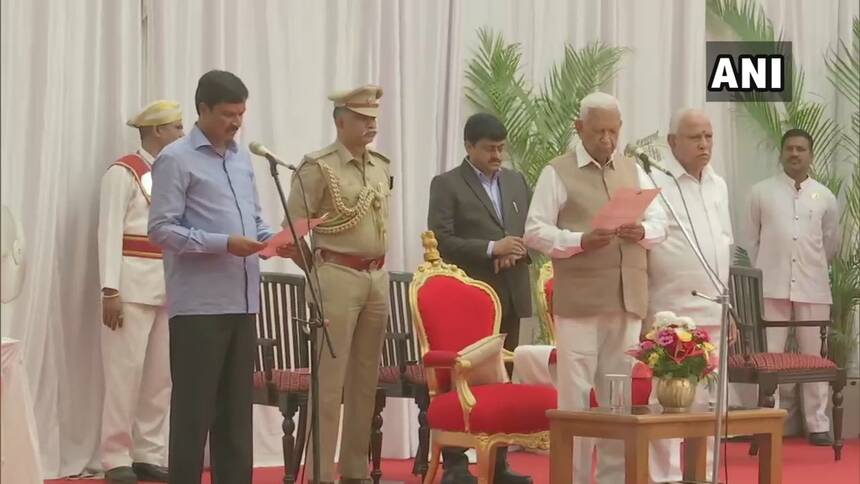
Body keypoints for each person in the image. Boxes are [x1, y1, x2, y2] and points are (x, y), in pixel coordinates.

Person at [524, 92, 667, 484]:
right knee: (575, 399)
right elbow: (534, 231)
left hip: (627, 298)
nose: (607, 139)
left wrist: (643, 231)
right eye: (598, 131)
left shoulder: (634, 170)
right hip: (581, 302)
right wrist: (579, 240)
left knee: (617, 402)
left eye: (613, 131)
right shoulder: (557, 171)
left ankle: (612, 479)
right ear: (579, 128)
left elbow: (661, 224)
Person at [148, 70, 275, 484]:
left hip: (243, 301)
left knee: (236, 417)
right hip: (199, 308)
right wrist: (224, 243)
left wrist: (276, 241)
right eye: (227, 114)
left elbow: (254, 220)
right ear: (202, 109)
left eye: (241, 114)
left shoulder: (241, 159)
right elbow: (161, 230)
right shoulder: (175, 159)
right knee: (193, 414)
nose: (236, 122)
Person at [280, 85, 391, 483]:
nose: (371, 125)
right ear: (340, 121)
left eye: (373, 118)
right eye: (362, 118)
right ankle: (322, 474)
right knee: (329, 382)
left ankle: (356, 470)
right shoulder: (317, 167)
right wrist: (318, 271)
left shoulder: (380, 165)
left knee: (365, 380)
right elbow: (291, 232)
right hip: (337, 274)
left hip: (376, 276)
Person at [427, 112, 533, 484]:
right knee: (461, 377)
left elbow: (533, 232)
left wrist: (514, 250)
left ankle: (498, 464)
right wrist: (491, 248)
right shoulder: (447, 184)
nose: (497, 156)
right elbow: (441, 239)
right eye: (490, 149)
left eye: (502, 148)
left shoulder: (517, 182)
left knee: (503, 378)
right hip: (468, 300)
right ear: (469, 146)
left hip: (511, 294)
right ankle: (456, 465)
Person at [644, 108, 736, 482]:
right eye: (695, 137)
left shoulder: (719, 184)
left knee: (709, 403)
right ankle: (662, 478)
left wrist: (730, 306)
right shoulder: (655, 181)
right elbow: (648, 239)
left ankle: (704, 476)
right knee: (668, 399)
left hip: (715, 308)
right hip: (671, 311)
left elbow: (725, 245)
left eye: (708, 136)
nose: (704, 144)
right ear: (672, 142)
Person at [98, 100, 184, 484]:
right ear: (157, 131)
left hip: (168, 286)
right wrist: (109, 289)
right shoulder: (124, 172)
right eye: (176, 127)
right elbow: (108, 232)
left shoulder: (175, 172)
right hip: (130, 288)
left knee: (159, 378)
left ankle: (149, 452)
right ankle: (116, 455)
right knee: (124, 375)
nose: (182, 133)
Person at [747, 128, 840, 446]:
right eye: (790, 148)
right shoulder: (761, 192)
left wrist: (810, 265)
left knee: (815, 357)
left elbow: (830, 243)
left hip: (813, 286)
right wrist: (772, 265)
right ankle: (768, 420)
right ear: (781, 153)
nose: (795, 154)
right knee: (769, 357)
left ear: (810, 155)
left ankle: (818, 424)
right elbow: (752, 239)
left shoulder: (825, 196)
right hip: (771, 285)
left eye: (801, 149)